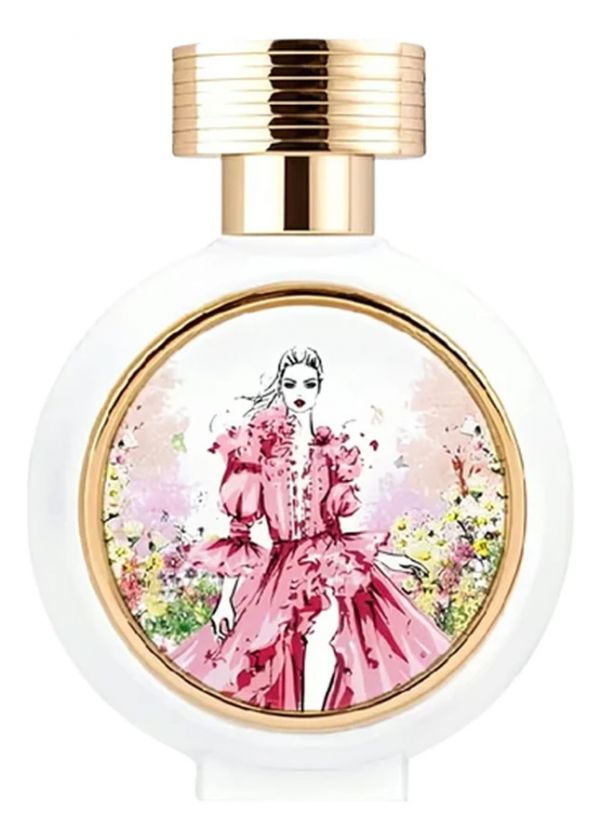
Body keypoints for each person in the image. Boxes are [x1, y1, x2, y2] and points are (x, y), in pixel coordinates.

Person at [173, 347, 450, 711]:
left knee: (328, 629)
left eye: (308, 384)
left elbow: (339, 532)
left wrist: (386, 557)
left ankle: (314, 721)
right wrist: (225, 601)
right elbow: (240, 534)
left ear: (319, 387)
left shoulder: (331, 453)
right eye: (290, 384)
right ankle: (304, 724)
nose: (299, 392)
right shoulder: (259, 454)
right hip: (282, 570)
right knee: (270, 653)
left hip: (331, 563)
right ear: (280, 388)